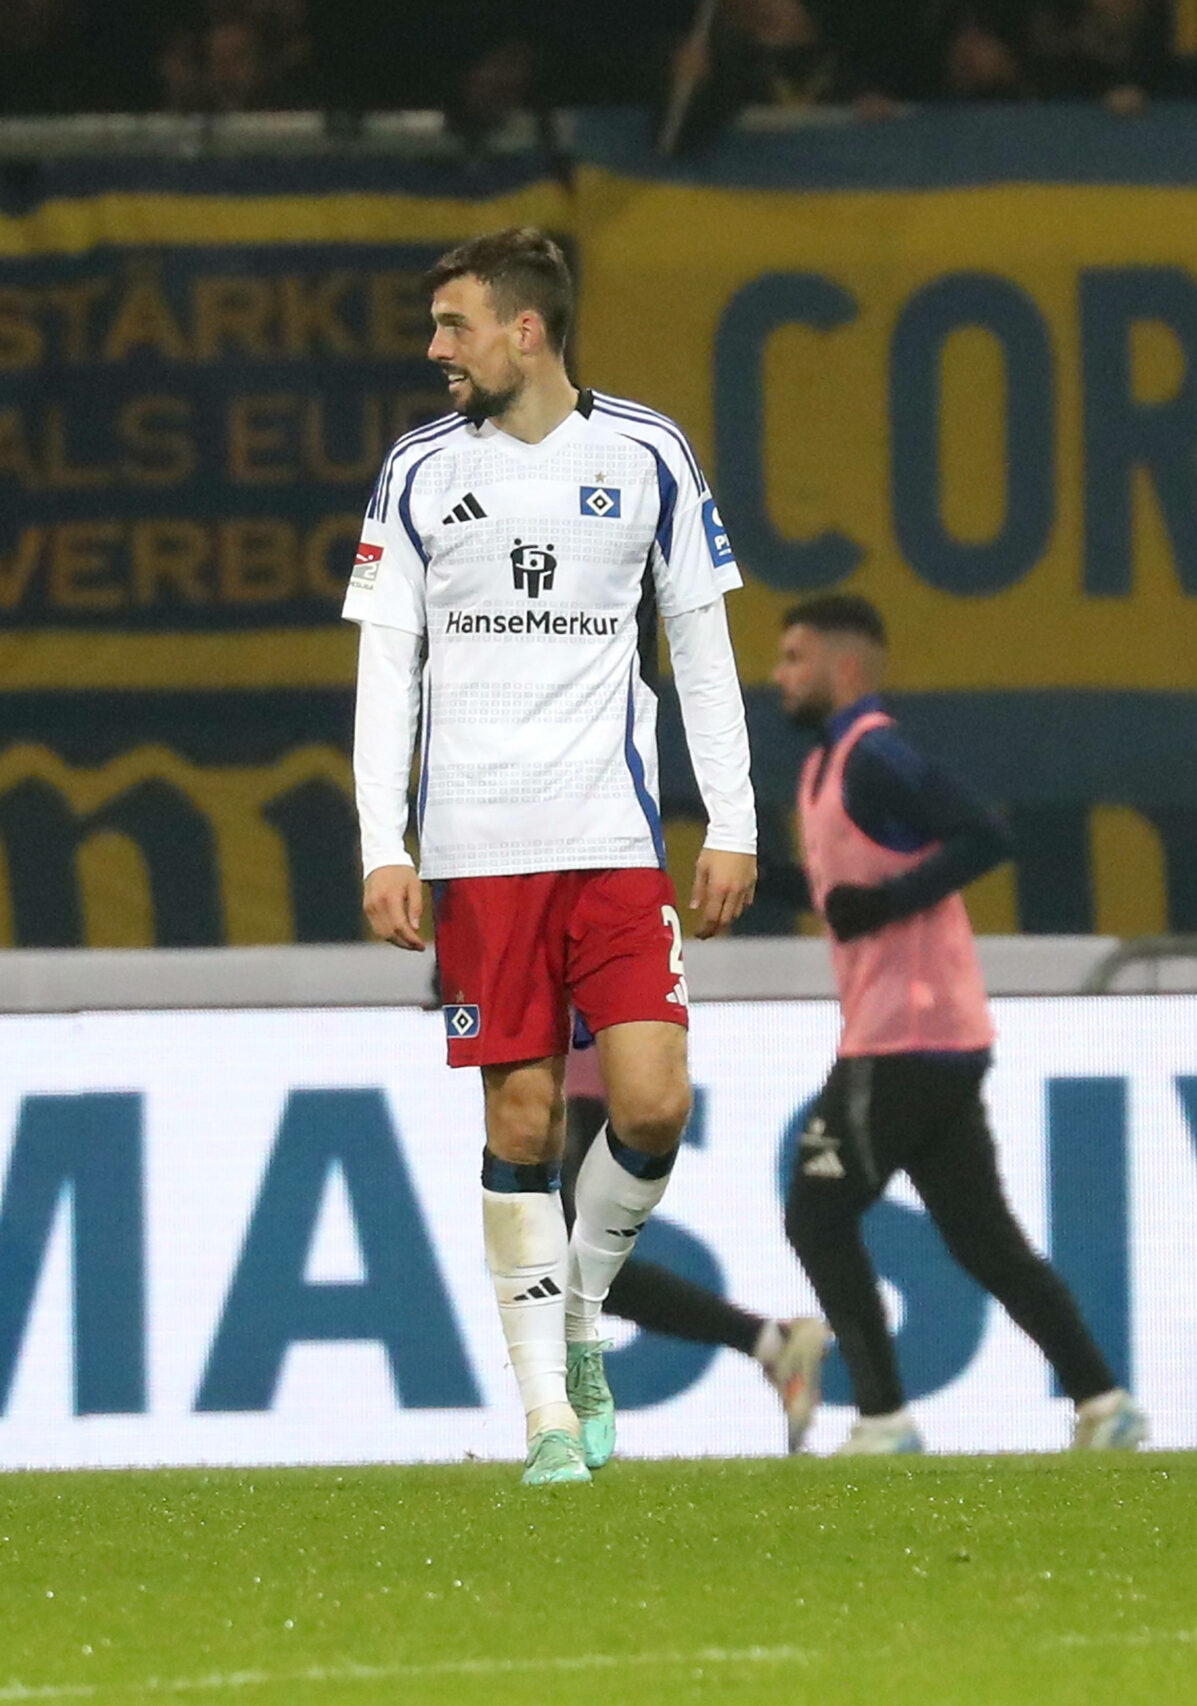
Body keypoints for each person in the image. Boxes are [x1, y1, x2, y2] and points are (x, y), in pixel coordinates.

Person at [346, 227, 760, 1486]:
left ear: (526, 330)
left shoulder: (646, 454)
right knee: (520, 1119)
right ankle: (545, 1416)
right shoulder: (417, 470)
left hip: (614, 841)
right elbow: (386, 665)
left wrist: (732, 817)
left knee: (651, 1101)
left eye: (453, 325)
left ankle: (580, 1306)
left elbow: (698, 643)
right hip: (480, 848)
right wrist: (384, 841)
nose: (435, 351)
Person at [770, 595, 1148, 1455]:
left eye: (796, 657)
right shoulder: (828, 767)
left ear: (847, 668)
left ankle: (883, 1417)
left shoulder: (876, 757)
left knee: (817, 1214)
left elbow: (984, 835)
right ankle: (1105, 1404)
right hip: (931, 1036)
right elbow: (852, 901)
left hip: (907, 1034)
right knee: (984, 1239)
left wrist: (894, 900)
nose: (779, 674)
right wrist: (770, 887)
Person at [558, 1029, 834, 1452]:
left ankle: (561, 1429)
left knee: (578, 1264)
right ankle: (769, 1341)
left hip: (590, 1077)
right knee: (579, 1268)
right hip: (595, 1075)